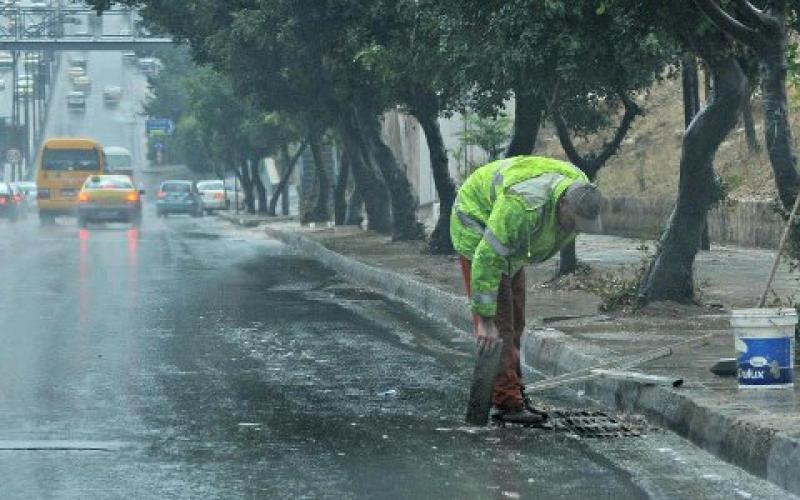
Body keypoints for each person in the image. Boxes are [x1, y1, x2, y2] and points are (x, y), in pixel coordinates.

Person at [450, 156, 602, 425]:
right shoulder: (522, 207)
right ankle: (507, 402)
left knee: (516, 318)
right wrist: (484, 321)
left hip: (511, 240)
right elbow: (487, 258)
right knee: (499, 326)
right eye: (574, 220)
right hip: (476, 223)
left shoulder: (581, 191)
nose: (576, 228)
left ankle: (513, 389)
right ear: (563, 203)